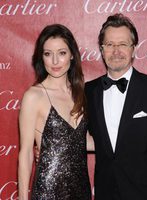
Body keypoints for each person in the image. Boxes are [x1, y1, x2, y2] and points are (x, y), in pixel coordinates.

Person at [85, 13, 147, 200]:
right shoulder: (89, 91)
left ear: (134, 49)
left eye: (123, 44)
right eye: (110, 45)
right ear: (101, 49)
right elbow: (84, 137)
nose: (116, 51)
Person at [18, 24, 92, 200]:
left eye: (62, 53)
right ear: (41, 57)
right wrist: (22, 198)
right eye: (47, 54)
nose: (55, 61)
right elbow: (26, 152)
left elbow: (83, 141)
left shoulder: (82, 93)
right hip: (48, 191)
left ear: (72, 55)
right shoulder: (34, 96)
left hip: (82, 191)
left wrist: (128, 141)